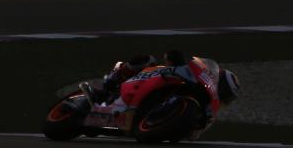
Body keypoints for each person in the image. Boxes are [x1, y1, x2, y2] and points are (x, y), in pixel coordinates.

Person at [89, 49, 240, 116]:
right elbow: (176, 61)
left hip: (155, 121)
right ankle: (109, 83)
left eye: (227, 98)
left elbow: (193, 137)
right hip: (147, 82)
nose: (224, 99)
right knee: (146, 60)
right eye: (225, 93)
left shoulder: (208, 113)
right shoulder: (193, 76)